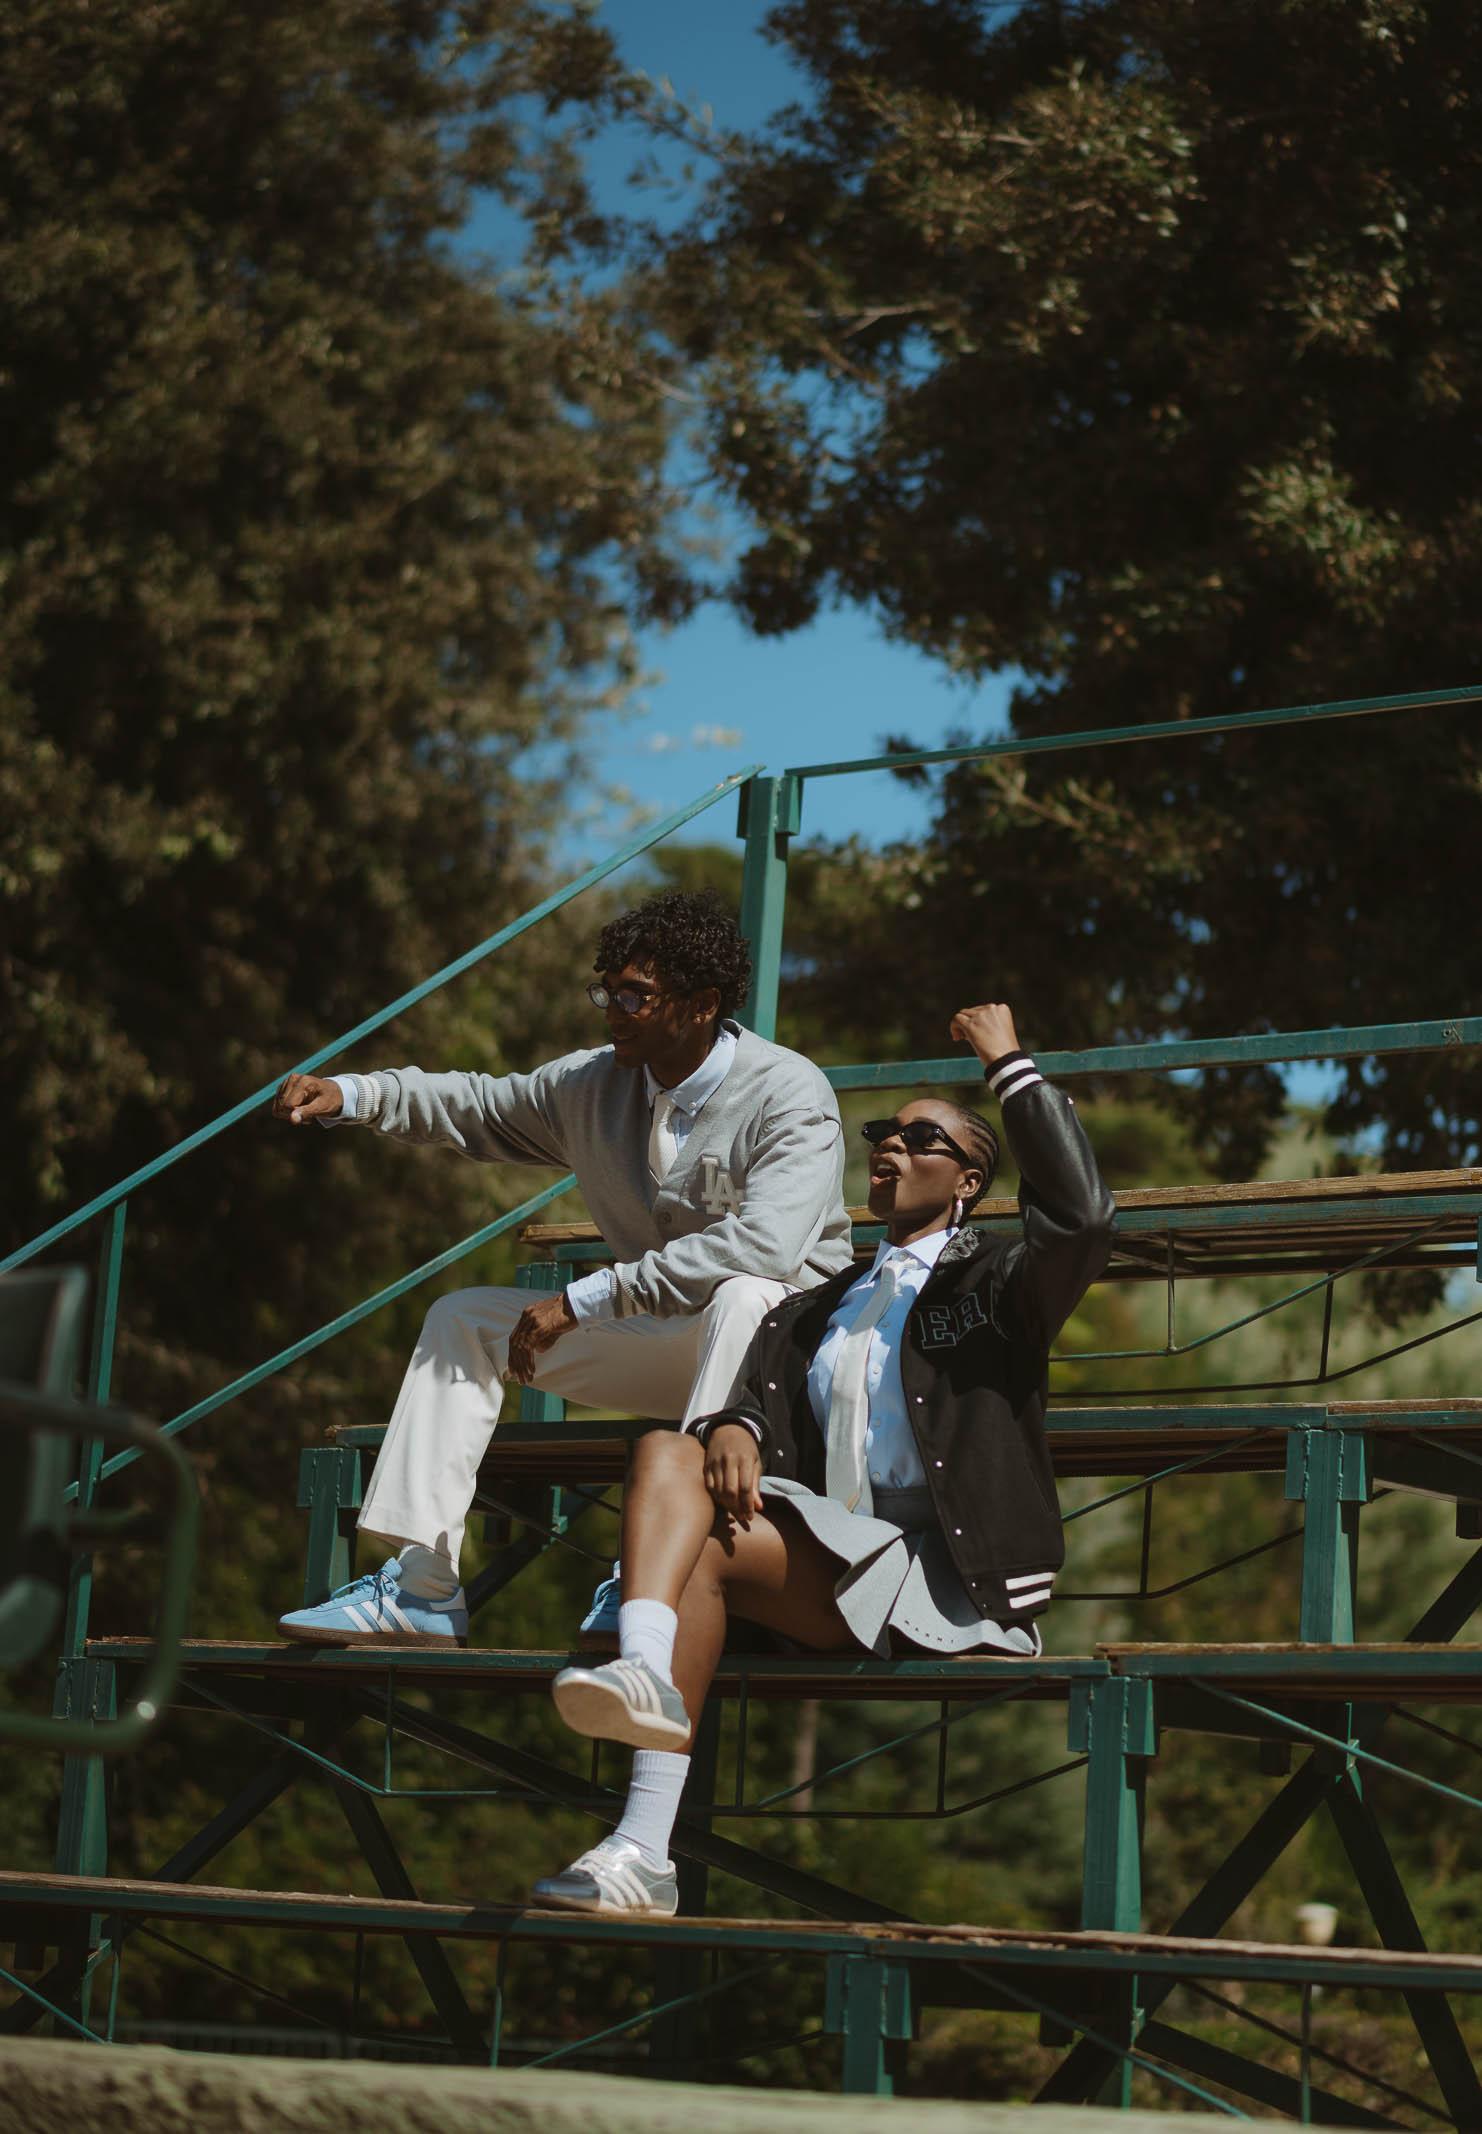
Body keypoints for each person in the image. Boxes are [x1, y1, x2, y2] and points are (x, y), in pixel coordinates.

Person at [531, 1000, 1115, 1915]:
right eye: (884, 1134)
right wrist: (736, 1425)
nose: (891, 1146)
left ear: (968, 1181)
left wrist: (1010, 1066)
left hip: (946, 1574)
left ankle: (642, 1834)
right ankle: (642, 1746)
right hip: (835, 1552)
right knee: (666, 1450)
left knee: (697, 1544)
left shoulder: (1000, 1283)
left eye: (922, 1138)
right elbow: (755, 1396)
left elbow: (1082, 1219)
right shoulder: (819, 1304)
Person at [270, 890, 853, 1646]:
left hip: (783, 1359)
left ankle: (656, 1574)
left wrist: (587, 1298)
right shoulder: (592, 1084)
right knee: (463, 1319)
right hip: (674, 1340)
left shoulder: (788, 1091)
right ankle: (422, 1589)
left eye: (635, 995)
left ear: (703, 1004)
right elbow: (479, 1106)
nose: (614, 1010)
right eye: (606, 991)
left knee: (745, 1294)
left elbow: (764, 1248)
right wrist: (356, 1094)